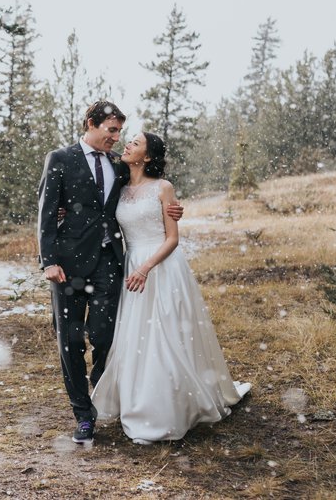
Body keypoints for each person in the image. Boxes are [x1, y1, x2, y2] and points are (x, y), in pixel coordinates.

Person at [36, 102, 183, 444]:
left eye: (120, 132)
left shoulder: (119, 165)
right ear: (91, 124)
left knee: (105, 336)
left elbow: (143, 192)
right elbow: (45, 212)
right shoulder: (60, 158)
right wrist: (49, 261)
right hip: (67, 266)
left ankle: (102, 392)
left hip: (109, 263)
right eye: (111, 131)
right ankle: (84, 415)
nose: (116, 139)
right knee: (71, 341)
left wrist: (174, 208)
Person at [91, 132, 250, 444]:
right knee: (137, 337)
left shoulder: (163, 188)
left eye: (135, 143)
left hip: (161, 265)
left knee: (167, 333)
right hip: (132, 263)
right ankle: (141, 401)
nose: (128, 145)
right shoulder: (118, 187)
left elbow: (172, 238)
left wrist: (146, 268)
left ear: (148, 157)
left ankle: (173, 404)